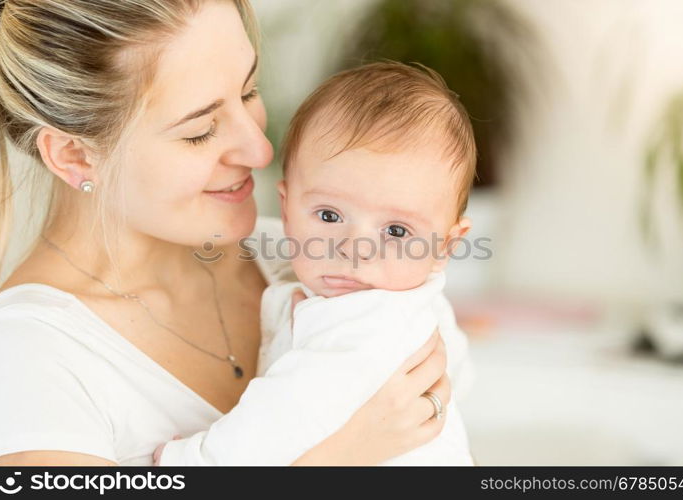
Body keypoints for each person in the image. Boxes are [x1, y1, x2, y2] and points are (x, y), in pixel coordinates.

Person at [0, 0, 453, 466]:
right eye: (200, 130)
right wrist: (338, 458)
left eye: (250, 91)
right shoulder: (26, 358)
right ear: (73, 155)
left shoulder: (310, 258)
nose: (260, 149)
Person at [155, 61, 477, 466]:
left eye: (396, 231)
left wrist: (191, 461)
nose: (354, 249)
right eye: (328, 216)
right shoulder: (418, 300)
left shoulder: (364, 322)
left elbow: (281, 418)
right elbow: (459, 375)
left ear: (446, 245)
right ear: (287, 210)